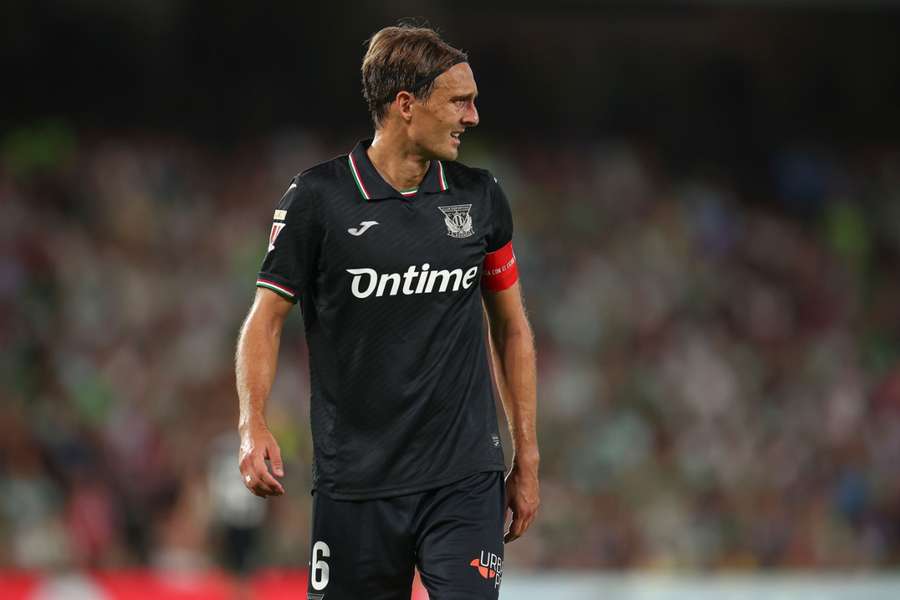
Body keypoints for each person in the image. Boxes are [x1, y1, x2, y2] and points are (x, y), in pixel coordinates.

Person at [235, 24, 538, 599]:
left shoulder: (480, 197)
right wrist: (253, 423)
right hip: (358, 483)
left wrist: (528, 455)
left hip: (464, 477)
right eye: (459, 100)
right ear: (406, 105)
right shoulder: (318, 200)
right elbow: (265, 318)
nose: (472, 117)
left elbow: (512, 328)